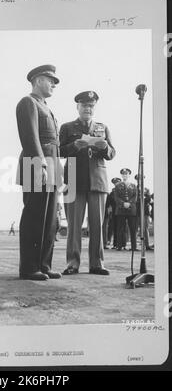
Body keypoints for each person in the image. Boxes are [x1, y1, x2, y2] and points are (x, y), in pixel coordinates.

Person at [60, 91, 115, 275]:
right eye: (84, 106)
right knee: (74, 226)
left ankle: (97, 264)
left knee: (97, 225)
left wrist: (105, 147)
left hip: (98, 181)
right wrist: (75, 145)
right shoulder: (67, 128)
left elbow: (112, 153)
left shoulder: (102, 127)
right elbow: (59, 151)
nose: (88, 109)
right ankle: (72, 263)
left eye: (91, 106)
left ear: (94, 108)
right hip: (74, 180)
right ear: (78, 107)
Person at [16, 65, 62, 280]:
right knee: (35, 216)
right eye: (49, 79)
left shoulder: (47, 107)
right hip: (37, 164)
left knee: (50, 219)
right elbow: (30, 136)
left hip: (51, 167)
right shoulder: (28, 103)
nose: (53, 84)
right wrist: (40, 164)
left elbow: (55, 143)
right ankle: (29, 268)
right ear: (36, 80)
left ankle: (43, 264)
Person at [115, 169, 137, 251]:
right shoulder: (117, 186)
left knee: (133, 229)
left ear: (129, 175)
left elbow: (135, 197)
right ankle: (120, 246)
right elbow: (116, 197)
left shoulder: (133, 186)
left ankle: (134, 247)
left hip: (131, 210)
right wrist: (123, 203)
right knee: (120, 228)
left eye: (126, 174)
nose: (125, 175)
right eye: (123, 174)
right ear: (121, 175)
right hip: (121, 210)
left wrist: (129, 203)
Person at [107, 177, 121, 249]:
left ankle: (120, 244)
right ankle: (115, 244)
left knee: (121, 228)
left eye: (117, 182)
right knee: (114, 228)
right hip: (114, 213)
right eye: (115, 183)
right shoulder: (112, 193)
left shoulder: (122, 191)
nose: (116, 184)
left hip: (121, 212)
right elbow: (109, 203)